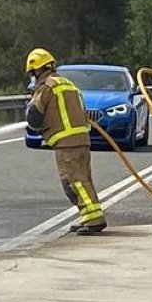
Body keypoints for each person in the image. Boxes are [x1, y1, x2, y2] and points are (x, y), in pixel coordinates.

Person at [24, 47, 106, 235]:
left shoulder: (46, 87)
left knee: (73, 183)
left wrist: (30, 105)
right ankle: (88, 216)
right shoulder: (68, 84)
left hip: (66, 143)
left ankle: (94, 220)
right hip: (82, 140)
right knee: (83, 180)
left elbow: (34, 118)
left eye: (32, 74)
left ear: (37, 70)